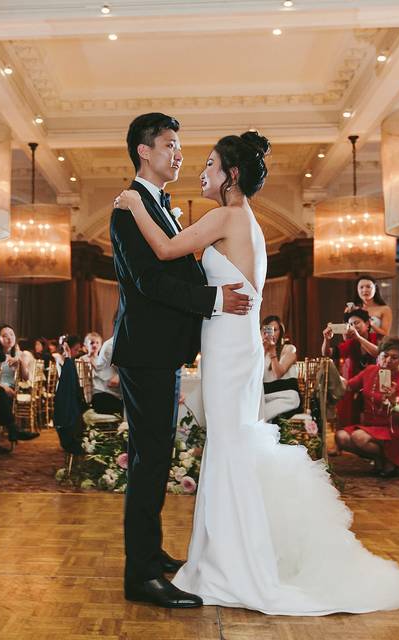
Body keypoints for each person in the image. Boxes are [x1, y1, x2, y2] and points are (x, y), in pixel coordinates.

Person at [115, 124, 399, 615]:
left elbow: (168, 252)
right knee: (231, 441)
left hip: (230, 345)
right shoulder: (244, 220)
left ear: (231, 175)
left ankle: (233, 558)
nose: (199, 169)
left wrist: (132, 205)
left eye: (210, 164)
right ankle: (225, 551)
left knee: (230, 443)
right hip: (231, 343)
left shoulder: (227, 216)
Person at [109, 113, 255, 609]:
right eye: (170, 144)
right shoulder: (127, 210)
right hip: (145, 353)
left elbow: (178, 263)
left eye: (181, 146)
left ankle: (150, 554)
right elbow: (149, 283)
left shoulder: (160, 208)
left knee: (156, 458)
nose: (179, 154)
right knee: (148, 463)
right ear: (143, 151)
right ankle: (141, 575)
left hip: (163, 353)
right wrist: (215, 302)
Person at [335, 337, 399, 478]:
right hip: (370, 426)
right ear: (379, 355)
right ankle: (381, 460)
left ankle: (389, 459)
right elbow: (349, 385)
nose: (388, 360)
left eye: (394, 357)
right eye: (385, 355)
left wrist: (392, 402)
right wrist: (333, 375)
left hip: (391, 429)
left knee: (358, 437)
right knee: (340, 437)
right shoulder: (370, 370)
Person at [322, 308, 379, 429]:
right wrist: (326, 339)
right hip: (356, 386)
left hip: (376, 385)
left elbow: (378, 353)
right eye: (351, 324)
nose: (353, 326)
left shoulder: (375, 338)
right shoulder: (351, 343)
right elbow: (327, 353)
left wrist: (358, 338)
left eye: (357, 323)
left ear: (367, 324)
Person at [0, 324, 39, 442]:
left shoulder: (19, 355)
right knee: (2, 395)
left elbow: (25, 377)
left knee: (5, 395)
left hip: (10, 389)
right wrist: (1, 386)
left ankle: (12, 430)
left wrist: (20, 362)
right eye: (4, 335)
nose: (9, 338)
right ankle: (14, 430)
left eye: (12, 334)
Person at [261, 314, 300, 421]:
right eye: (268, 329)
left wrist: (272, 351)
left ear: (281, 332)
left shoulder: (289, 349)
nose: (271, 333)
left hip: (286, 398)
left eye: (275, 330)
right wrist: (263, 350)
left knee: (259, 417)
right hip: (266, 398)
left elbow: (278, 374)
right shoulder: (258, 353)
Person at [89, 334, 123, 415]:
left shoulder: (101, 358)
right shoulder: (84, 359)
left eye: (97, 343)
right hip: (100, 393)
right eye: (92, 343)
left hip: (111, 393)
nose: (95, 345)